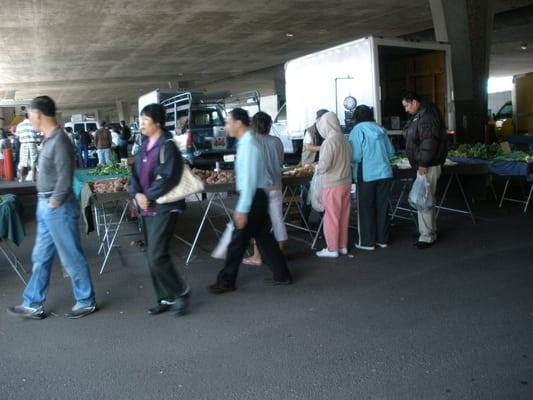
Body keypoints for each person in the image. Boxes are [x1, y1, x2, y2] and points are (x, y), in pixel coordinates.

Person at [7, 96, 97, 320]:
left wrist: (53, 202)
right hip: (47, 206)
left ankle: (86, 301)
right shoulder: (48, 139)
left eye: (29, 114)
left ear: (38, 114)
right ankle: (32, 303)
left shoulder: (60, 141)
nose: (29, 119)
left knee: (71, 256)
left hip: (58, 207)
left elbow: (66, 178)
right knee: (41, 256)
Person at [208, 108, 292, 294]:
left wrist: (242, 208)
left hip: (253, 197)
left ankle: (226, 281)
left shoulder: (249, 146)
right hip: (256, 196)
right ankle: (282, 274)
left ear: (238, 123)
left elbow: (250, 179)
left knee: (237, 242)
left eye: (228, 122)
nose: (226, 126)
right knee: (264, 238)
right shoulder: (247, 143)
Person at [128, 103, 190, 316]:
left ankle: (180, 291)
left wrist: (148, 195)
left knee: (156, 254)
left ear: (157, 123)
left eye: (145, 120)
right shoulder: (143, 144)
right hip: (147, 207)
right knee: (152, 255)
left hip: (166, 207)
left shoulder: (167, 146)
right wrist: (137, 193)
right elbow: (134, 173)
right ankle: (165, 297)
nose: (141, 123)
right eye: (141, 119)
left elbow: (168, 177)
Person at [402, 91, 448, 249]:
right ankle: (429, 231)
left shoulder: (426, 116)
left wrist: (423, 163)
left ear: (414, 102)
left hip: (427, 165)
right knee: (426, 199)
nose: (406, 109)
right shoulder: (423, 114)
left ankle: (426, 236)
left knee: (424, 200)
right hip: (428, 164)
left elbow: (428, 141)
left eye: (407, 105)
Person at [242, 111, 288, 266]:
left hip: (260, 190)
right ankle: (279, 253)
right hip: (276, 186)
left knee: (258, 223)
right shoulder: (277, 141)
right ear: (269, 125)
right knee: (277, 221)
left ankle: (257, 256)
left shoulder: (251, 142)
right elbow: (280, 163)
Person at [349, 105, 395, 251]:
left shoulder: (357, 130)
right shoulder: (380, 129)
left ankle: (367, 242)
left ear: (356, 117)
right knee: (382, 206)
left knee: (366, 207)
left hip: (366, 174)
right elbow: (391, 152)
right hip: (385, 173)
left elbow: (356, 155)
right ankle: (383, 240)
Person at [314, 112, 352, 258]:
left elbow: (324, 165)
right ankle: (342, 246)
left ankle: (332, 249)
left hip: (332, 184)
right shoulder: (344, 139)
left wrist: (316, 167)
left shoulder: (329, 142)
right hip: (346, 182)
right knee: (344, 215)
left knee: (332, 217)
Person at [16, 113, 39, 182]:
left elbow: (17, 136)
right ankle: (33, 179)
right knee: (33, 161)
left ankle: (21, 178)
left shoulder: (19, 125)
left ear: (24, 117)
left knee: (22, 161)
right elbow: (37, 134)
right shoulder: (34, 124)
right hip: (32, 144)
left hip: (23, 144)